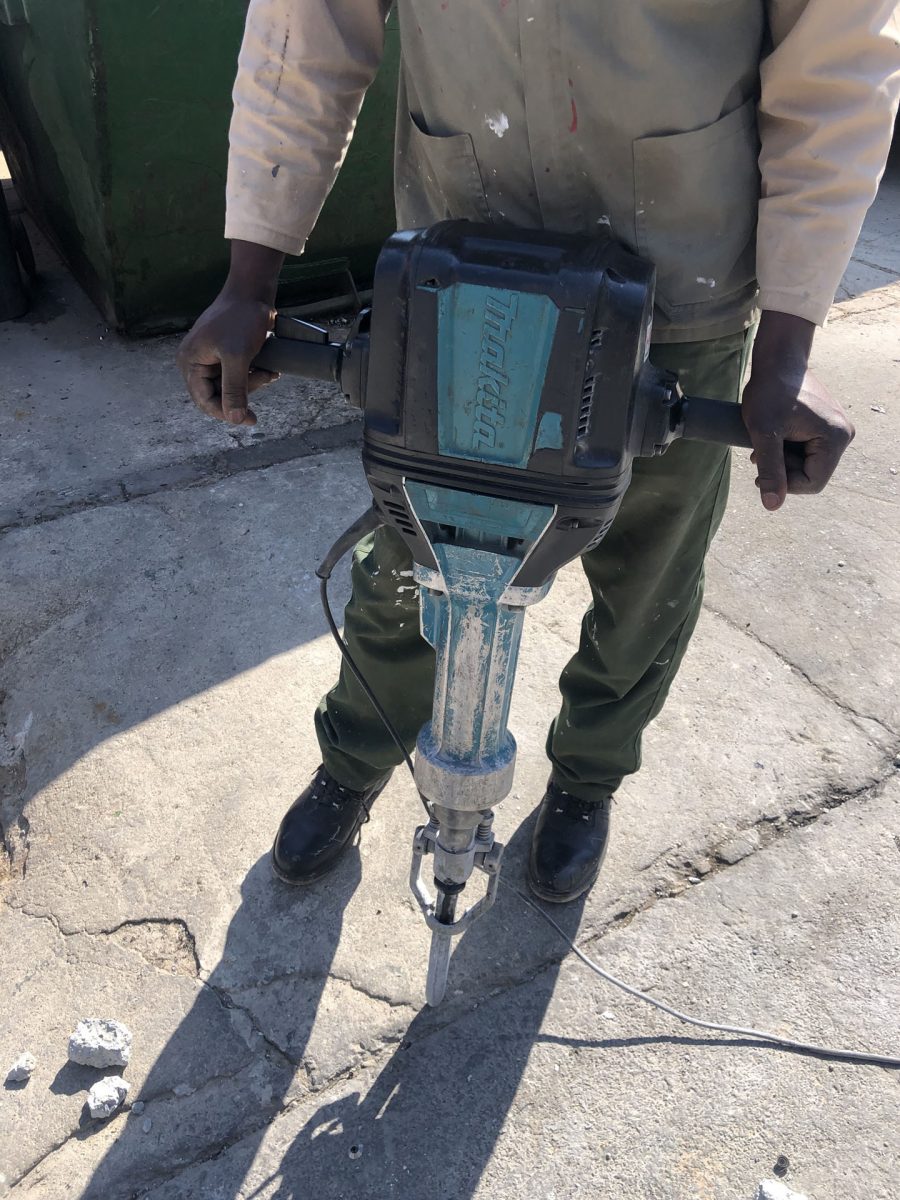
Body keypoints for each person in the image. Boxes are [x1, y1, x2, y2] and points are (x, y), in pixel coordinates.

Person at [178, 1, 899, 903]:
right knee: (413, 555)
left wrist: (789, 340)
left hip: (679, 286)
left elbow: (837, 64)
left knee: (646, 581)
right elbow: (307, 28)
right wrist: (251, 276)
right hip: (461, 271)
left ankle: (587, 778)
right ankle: (357, 753)